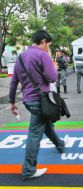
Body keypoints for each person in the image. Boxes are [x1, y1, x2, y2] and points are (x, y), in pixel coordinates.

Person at [9, 30, 67, 180]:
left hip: (28, 100)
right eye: (48, 45)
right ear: (43, 41)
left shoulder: (21, 56)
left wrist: (12, 102)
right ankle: (28, 170)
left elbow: (14, 81)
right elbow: (53, 78)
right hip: (41, 101)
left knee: (45, 124)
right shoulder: (42, 55)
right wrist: (53, 68)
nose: (48, 48)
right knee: (34, 134)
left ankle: (60, 144)